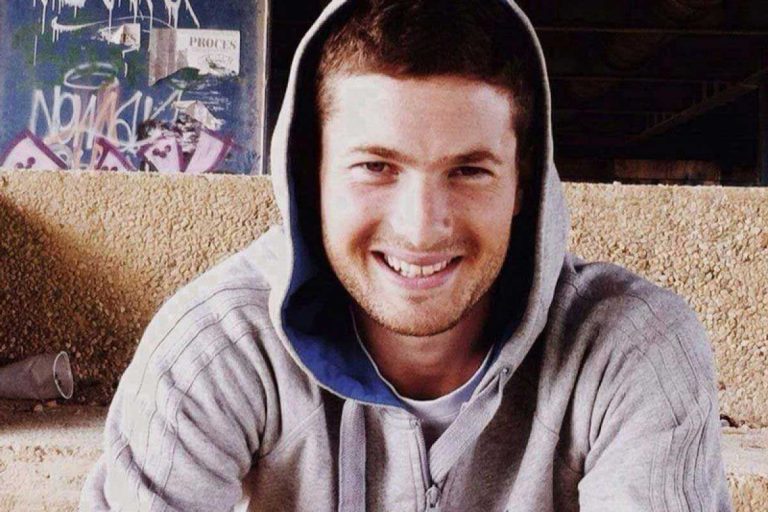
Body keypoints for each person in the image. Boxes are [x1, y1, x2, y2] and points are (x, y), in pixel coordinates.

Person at [79, 0, 733, 510]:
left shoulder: (633, 350)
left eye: (469, 171)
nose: (421, 229)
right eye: (376, 166)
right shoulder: (219, 348)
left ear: (524, 183)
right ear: (311, 173)